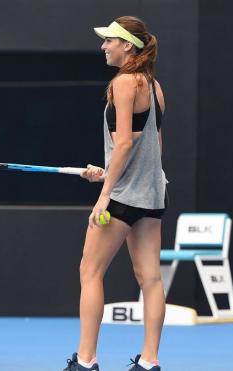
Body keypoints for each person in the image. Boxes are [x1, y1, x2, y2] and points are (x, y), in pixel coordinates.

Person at [64, 16, 167, 371]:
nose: (104, 46)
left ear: (127, 45)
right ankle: (150, 362)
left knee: (89, 272)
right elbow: (150, 145)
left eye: (110, 40)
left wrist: (106, 192)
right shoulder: (153, 87)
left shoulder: (124, 82)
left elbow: (124, 141)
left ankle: (85, 361)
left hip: (122, 196)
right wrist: (108, 172)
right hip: (151, 195)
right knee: (150, 278)